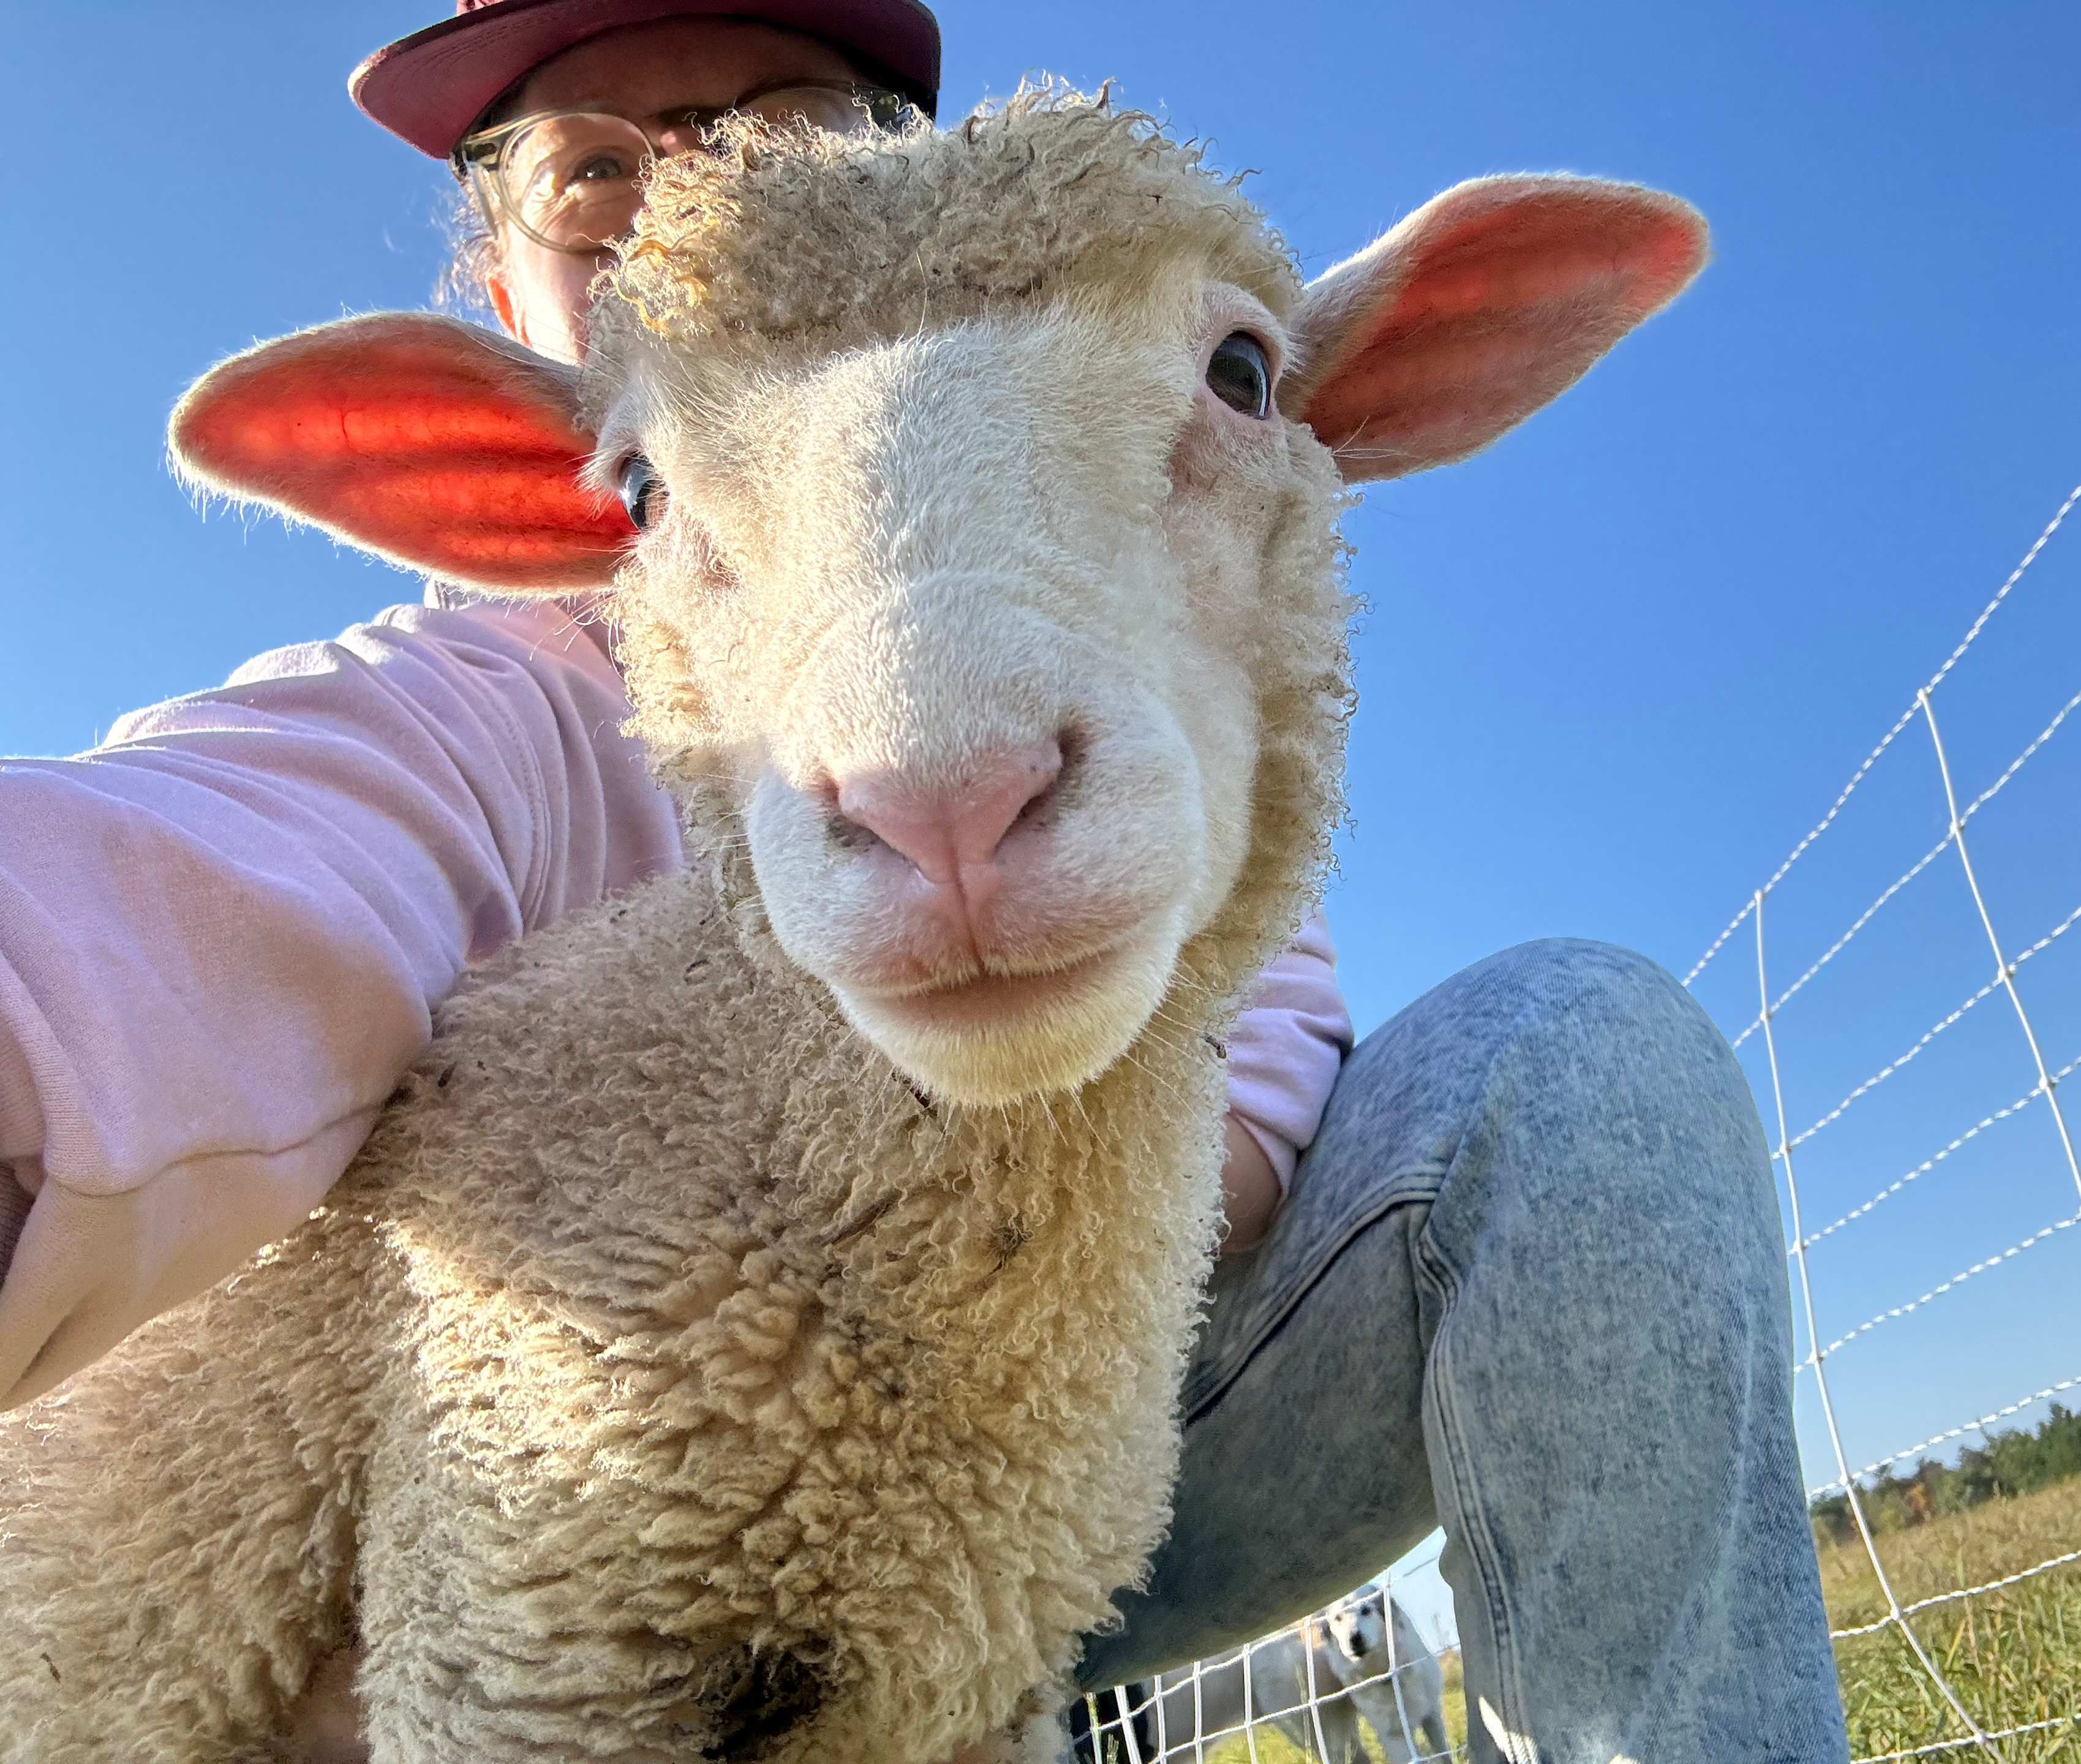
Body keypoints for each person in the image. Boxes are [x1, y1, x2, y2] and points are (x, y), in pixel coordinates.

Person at [0, 3, 1849, 1759]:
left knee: (1587, 1060)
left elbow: (1268, 994)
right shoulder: (472, 713)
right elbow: (190, 897)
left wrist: (1014, 1222)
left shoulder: (1114, 573)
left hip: (1124, 1416)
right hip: (622, 1524)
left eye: (791, 133)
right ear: (505, 322)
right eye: (593, 170)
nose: (709, 193)